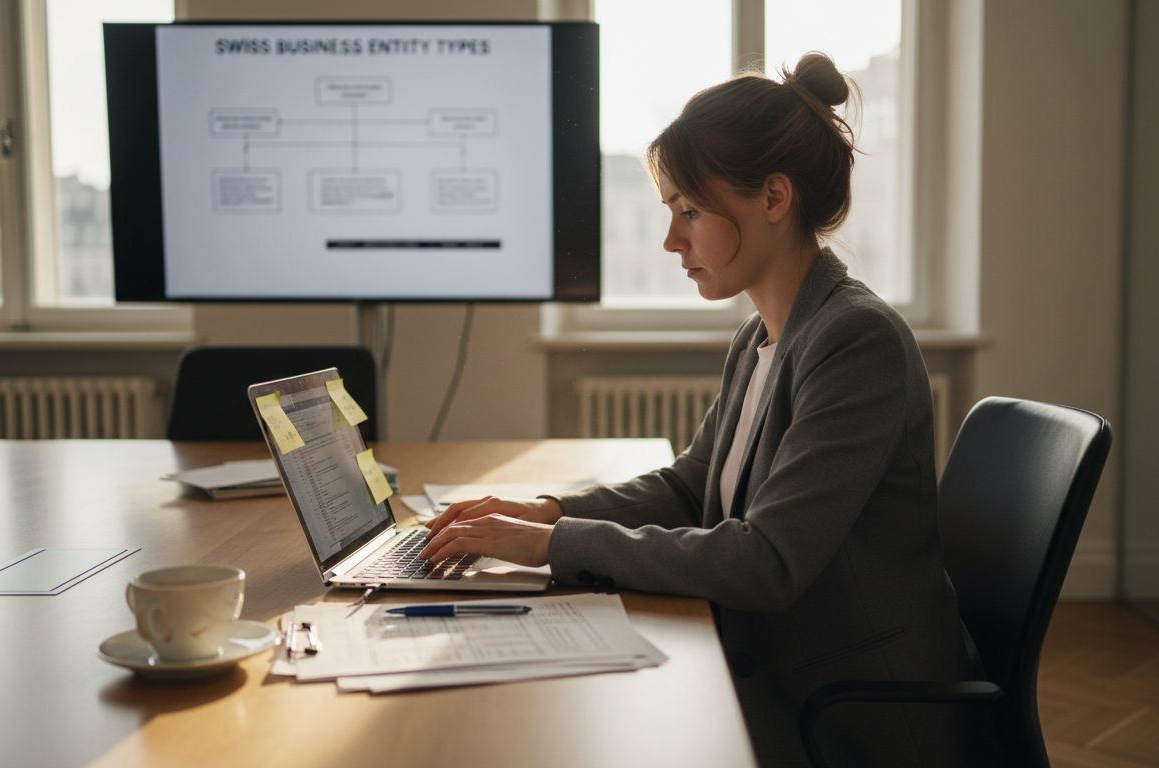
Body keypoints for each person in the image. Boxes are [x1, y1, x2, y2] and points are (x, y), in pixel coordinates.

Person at [420, 53, 997, 767]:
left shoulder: (856, 340)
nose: (671, 240)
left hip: (851, 716)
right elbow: (692, 487)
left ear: (774, 198)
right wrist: (548, 513)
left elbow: (766, 561)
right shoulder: (763, 335)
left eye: (689, 211)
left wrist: (553, 545)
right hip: (782, 671)